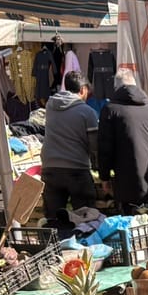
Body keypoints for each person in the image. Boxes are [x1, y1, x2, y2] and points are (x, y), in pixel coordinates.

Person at [97, 69, 148, 213]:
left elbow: (105, 147)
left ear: (116, 88)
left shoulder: (110, 110)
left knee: (134, 229)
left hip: (127, 185)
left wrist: (104, 177)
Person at [40, 71, 99, 216]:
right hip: (76, 169)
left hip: (50, 168)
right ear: (83, 89)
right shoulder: (87, 112)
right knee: (86, 218)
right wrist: (99, 170)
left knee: (53, 219)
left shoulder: (50, 106)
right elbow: (94, 147)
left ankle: (57, 238)